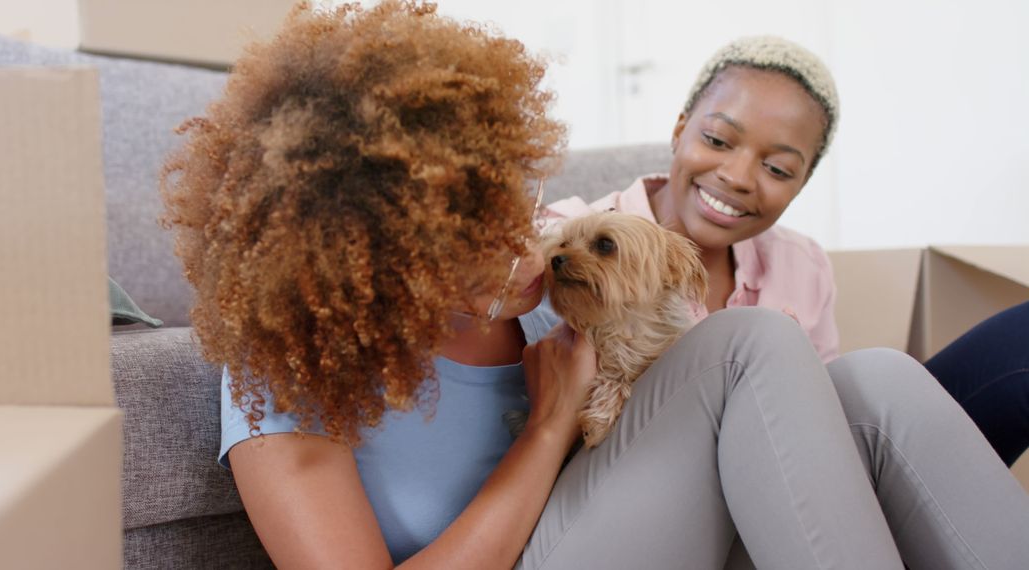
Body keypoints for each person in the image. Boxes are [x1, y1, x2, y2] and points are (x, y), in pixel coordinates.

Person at [162, 5, 1029, 569]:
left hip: (631, 527)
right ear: (389, 258)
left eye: (518, 199)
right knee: (750, 343)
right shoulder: (284, 374)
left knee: (874, 380)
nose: (527, 237)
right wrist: (544, 432)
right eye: (477, 235)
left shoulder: (550, 296)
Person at [547, 35, 1029, 469]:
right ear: (679, 130)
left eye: (777, 169)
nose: (736, 177)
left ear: (801, 185)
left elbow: (820, 420)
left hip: (803, 470)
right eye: (716, 140)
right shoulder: (559, 235)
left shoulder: (802, 266)